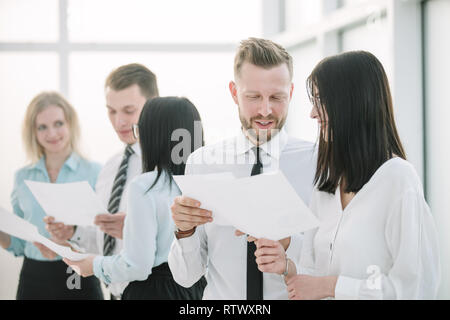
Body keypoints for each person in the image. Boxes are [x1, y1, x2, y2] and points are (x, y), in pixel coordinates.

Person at [253, 51, 441, 299]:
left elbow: (416, 288)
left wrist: (331, 287)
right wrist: (287, 265)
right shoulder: (327, 183)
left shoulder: (399, 180)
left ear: (351, 102)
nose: (312, 113)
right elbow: (315, 269)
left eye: (321, 100)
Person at [168, 37, 317, 300]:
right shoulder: (202, 164)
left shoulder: (317, 161)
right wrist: (184, 231)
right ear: (234, 92)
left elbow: (329, 261)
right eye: (254, 97)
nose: (265, 110)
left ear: (291, 93)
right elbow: (186, 276)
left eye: (277, 97)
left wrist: (289, 243)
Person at [63, 97, 207, 300]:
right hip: (198, 292)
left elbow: (137, 266)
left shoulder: (144, 186)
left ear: (151, 136)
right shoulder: (205, 184)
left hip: (153, 293)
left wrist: (93, 265)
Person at [44, 63, 159, 299]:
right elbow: (102, 240)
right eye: (112, 111)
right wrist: (72, 231)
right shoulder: (111, 167)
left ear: (153, 104)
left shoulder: (168, 164)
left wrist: (135, 230)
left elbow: (189, 243)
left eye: (128, 110)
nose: (119, 122)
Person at [0, 91, 103, 300]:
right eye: (42, 127)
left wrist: (70, 238)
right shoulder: (22, 177)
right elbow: (19, 245)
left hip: (79, 275)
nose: (52, 133)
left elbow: (104, 236)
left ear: (70, 124)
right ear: (33, 132)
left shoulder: (95, 172)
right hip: (34, 278)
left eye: (58, 124)